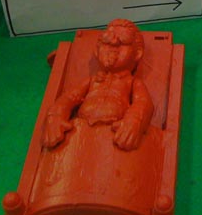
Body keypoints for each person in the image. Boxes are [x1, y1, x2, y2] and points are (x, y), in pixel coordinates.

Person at [42, 18, 154, 152]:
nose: (113, 45)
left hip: (113, 140)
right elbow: (68, 98)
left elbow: (143, 102)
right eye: (106, 41)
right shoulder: (92, 80)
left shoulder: (132, 82)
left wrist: (134, 121)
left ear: (137, 53)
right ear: (97, 50)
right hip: (79, 137)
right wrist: (55, 116)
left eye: (123, 42)